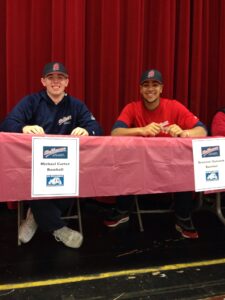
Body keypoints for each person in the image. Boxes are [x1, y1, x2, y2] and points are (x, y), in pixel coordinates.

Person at [0, 62, 102, 248]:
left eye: (60, 78)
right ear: (43, 81)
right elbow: (7, 124)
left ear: (67, 82)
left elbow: (96, 127)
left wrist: (87, 130)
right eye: (51, 78)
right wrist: (23, 128)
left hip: (66, 165)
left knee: (71, 184)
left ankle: (35, 217)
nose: (56, 82)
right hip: (35, 166)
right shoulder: (31, 101)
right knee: (36, 184)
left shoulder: (76, 105)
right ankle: (60, 229)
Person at [104, 69, 207, 239]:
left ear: (161, 89)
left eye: (155, 85)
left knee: (187, 168)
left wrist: (184, 133)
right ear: (140, 89)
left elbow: (202, 130)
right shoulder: (132, 107)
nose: (150, 89)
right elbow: (115, 132)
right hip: (140, 164)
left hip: (171, 165)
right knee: (125, 165)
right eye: (146, 85)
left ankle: (183, 216)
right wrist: (141, 130)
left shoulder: (174, 105)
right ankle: (122, 210)